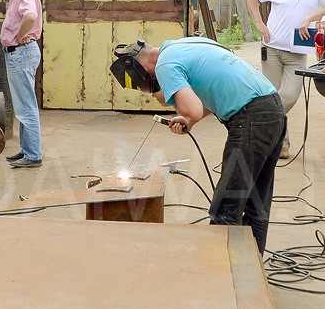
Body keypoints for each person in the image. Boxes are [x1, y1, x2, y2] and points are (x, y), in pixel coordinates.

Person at [110, 37, 285, 253]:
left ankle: (220, 277)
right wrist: (191, 121)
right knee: (256, 202)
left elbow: (191, 108)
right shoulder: (183, 45)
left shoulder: (165, 64)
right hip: (272, 110)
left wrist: (169, 94)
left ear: (140, 69)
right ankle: (250, 275)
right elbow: (217, 88)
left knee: (226, 208)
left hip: (252, 120)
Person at [246, 0, 325, 158]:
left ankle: (262, 126)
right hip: (271, 48)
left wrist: (309, 18)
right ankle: (281, 144)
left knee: (287, 96)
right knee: (271, 95)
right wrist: (259, 24)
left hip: (297, 52)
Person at [1, 0, 43, 169]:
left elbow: (30, 17)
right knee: (24, 104)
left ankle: (33, 155)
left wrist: (18, 37)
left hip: (21, 52)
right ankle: (27, 150)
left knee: (27, 105)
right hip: (21, 53)